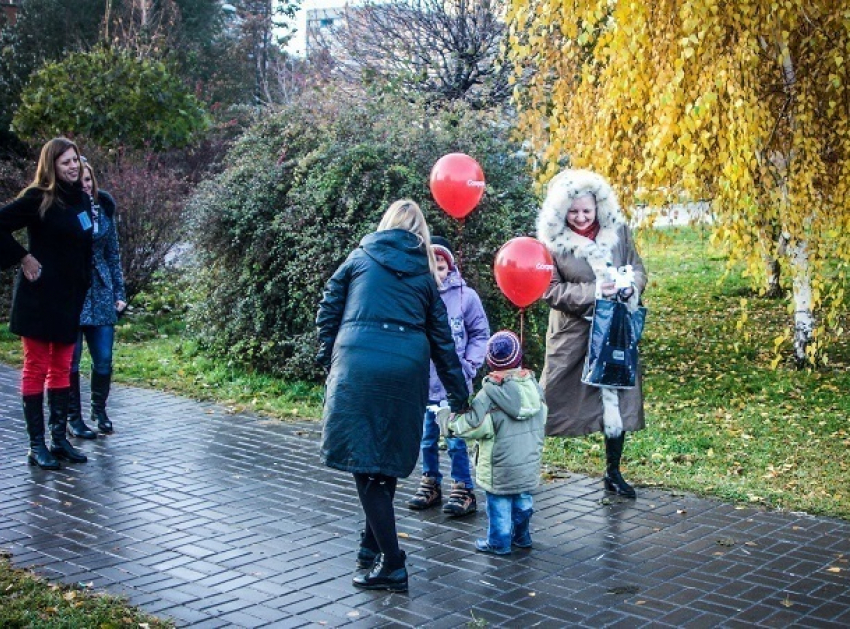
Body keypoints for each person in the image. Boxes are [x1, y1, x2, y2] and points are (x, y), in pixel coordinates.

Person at [316, 199, 469, 593]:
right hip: (405, 370)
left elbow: (329, 306)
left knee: (363, 462)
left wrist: (326, 357)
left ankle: (394, 564)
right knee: (381, 460)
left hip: (358, 363)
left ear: (385, 224)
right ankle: (371, 549)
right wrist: (460, 393)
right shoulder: (425, 276)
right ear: (420, 233)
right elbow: (443, 341)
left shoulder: (360, 257)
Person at [536, 168, 648, 498]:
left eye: (587, 210)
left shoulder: (618, 231)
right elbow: (550, 291)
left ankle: (613, 471)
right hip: (574, 335)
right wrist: (595, 290)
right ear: (560, 211)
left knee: (617, 401)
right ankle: (521, 466)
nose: (582, 217)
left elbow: (638, 268)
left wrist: (630, 287)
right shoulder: (551, 243)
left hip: (614, 330)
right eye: (573, 212)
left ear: (599, 205)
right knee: (549, 402)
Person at [0, 137, 93, 469]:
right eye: (66, 161)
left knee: (62, 368)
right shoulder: (37, 198)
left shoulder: (82, 199)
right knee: (36, 368)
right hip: (39, 299)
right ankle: (36, 445)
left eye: (75, 160)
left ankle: (59, 440)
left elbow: (84, 249)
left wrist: (84, 285)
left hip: (69, 300)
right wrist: (23, 258)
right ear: (51, 165)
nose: (73, 166)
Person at [437, 330, 546, 555]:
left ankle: (499, 543)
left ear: (490, 362)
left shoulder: (489, 394)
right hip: (528, 463)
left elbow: (472, 426)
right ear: (518, 358)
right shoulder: (534, 388)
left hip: (499, 466)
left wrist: (446, 418)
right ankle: (522, 536)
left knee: (499, 505)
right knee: (523, 500)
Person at [407, 235, 489, 517]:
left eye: (441, 267)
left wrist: (469, 365)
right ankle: (430, 481)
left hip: (453, 385)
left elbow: (480, 333)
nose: (436, 273)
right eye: (431, 267)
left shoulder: (466, 296)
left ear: (450, 268)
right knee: (426, 438)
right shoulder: (416, 294)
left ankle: (463, 488)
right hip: (424, 385)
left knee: (456, 439)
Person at [65, 158, 127, 439]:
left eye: (89, 180)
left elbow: (112, 254)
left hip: (101, 293)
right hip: (72, 292)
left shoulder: (103, 210)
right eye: (80, 182)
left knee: (103, 358)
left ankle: (99, 410)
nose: (85, 186)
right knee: (71, 362)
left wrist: (119, 293)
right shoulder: (64, 211)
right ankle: (73, 417)